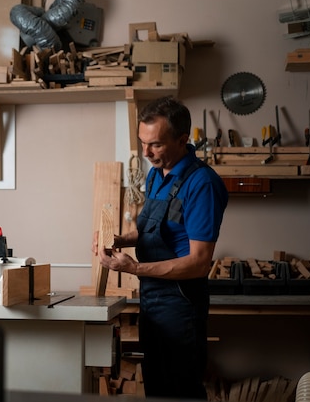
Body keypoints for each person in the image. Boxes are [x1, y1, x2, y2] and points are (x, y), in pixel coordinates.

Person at [93, 96, 228, 400]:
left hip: (180, 306)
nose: (146, 152)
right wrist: (117, 239)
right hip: (152, 301)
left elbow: (198, 262)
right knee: (156, 388)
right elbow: (149, 232)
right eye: (142, 143)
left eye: (155, 144)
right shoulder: (156, 174)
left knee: (180, 391)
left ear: (182, 140)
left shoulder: (202, 184)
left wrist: (134, 268)